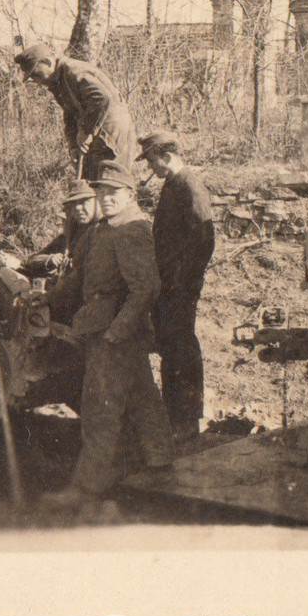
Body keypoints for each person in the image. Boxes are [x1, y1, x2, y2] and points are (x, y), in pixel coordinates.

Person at [41, 160, 172, 510]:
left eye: (114, 192)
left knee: (99, 408)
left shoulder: (132, 229)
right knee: (143, 396)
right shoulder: (104, 228)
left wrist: (117, 331)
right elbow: (79, 278)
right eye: (101, 192)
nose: (106, 198)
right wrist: (47, 299)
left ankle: (88, 488)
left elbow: (146, 288)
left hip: (114, 332)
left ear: (130, 194)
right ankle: (160, 460)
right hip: (107, 328)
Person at [137, 131, 216, 440]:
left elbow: (204, 241)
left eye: (152, 161)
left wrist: (183, 282)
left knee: (181, 351)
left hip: (179, 288)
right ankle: (176, 420)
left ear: (167, 156)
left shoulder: (189, 186)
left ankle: (186, 422)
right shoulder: (173, 184)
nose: (150, 168)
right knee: (171, 350)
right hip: (169, 286)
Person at [14, 44, 139, 181]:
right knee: (91, 183)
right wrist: (73, 145)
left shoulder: (74, 71)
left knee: (112, 182)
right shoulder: (58, 80)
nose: (35, 81)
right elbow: (70, 114)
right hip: (96, 130)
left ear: (47, 62)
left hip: (110, 132)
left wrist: (86, 131)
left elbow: (101, 99)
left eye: (35, 74)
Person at [21, 180, 100, 279]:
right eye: (73, 204)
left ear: (97, 202)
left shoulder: (104, 233)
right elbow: (31, 260)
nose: (78, 207)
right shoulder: (69, 236)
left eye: (84, 201)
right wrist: (49, 260)